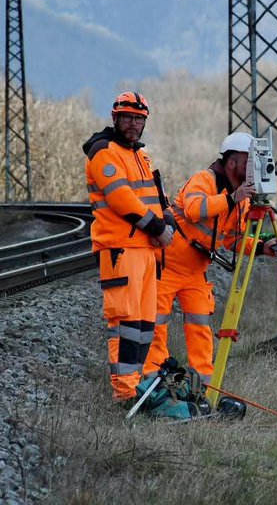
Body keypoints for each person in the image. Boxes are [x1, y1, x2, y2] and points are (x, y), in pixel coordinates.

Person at [143, 131, 277, 386]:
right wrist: (230, 199)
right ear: (231, 162)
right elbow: (195, 210)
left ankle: (204, 386)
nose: (253, 168)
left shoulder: (241, 198)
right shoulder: (203, 180)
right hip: (167, 265)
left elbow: (232, 240)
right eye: (249, 161)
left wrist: (261, 248)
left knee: (200, 328)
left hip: (195, 271)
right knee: (156, 325)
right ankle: (154, 381)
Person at [82, 90, 175, 402]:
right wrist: (159, 227)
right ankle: (125, 393)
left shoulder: (139, 154)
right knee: (125, 323)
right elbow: (122, 199)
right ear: (115, 118)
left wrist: (168, 220)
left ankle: (138, 384)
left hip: (145, 251)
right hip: (121, 249)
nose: (134, 124)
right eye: (128, 117)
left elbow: (155, 195)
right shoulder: (104, 152)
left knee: (143, 324)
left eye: (139, 118)